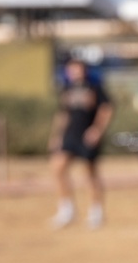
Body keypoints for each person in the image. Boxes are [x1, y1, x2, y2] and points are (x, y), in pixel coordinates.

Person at [47, 58, 113, 229]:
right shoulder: (67, 89)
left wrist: (97, 129)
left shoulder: (94, 87)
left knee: (90, 174)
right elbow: (63, 113)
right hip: (70, 135)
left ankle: (96, 212)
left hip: (87, 136)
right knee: (58, 167)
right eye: (72, 69)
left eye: (78, 69)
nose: (75, 72)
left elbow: (106, 109)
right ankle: (66, 210)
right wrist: (57, 135)